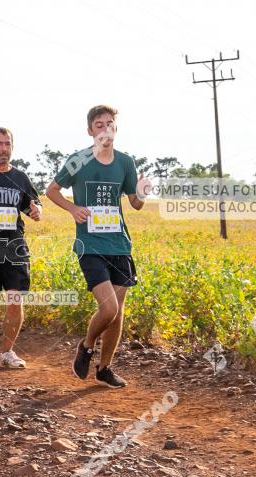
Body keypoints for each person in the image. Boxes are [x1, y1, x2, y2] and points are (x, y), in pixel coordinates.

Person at [45, 105, 151, 388]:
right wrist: (72, 208)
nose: (106, 129)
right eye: (99, 124)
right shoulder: (79, 160)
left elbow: (136, 204)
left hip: (119, 243)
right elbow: (51, 190)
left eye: (110, 124)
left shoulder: (126, 162)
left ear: (116, 128)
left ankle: (105, 369)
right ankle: (87, 345)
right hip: (89, 244)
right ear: (90, 130)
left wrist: (141, 191)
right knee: (108, 309)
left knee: (118, 312)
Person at [0, 128, 42, 368]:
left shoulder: (21, 177)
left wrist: (36, 211)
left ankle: (7, 352)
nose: (4, 148)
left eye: (8, 143)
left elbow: (33, 204)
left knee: (15, 299)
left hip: (14, 244)